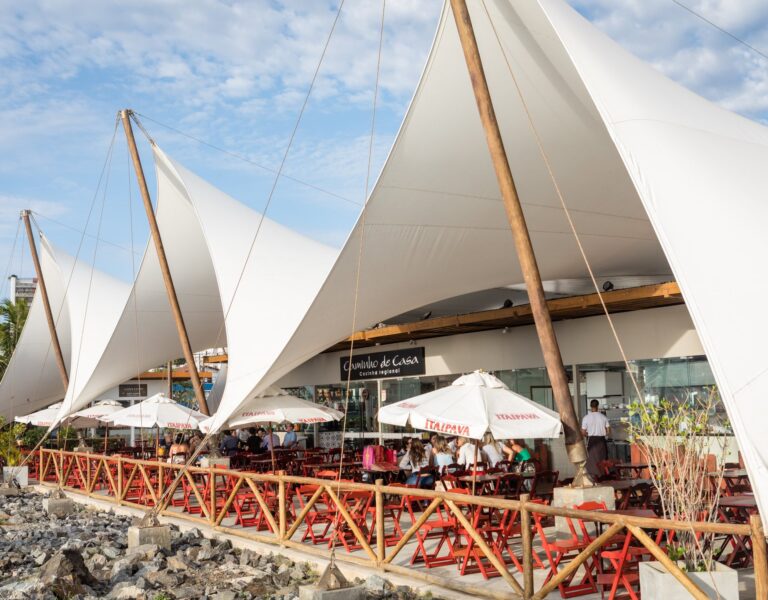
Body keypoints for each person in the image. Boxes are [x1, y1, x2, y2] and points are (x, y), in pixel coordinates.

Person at [581, 399, 611, 477]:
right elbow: (608, 431)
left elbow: (583, 432)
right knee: (602, 459)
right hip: (601, 441)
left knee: (591, 461)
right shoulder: (603, 417)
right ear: (598, 406)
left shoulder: (586, 418)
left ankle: (594, 478)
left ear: (590, 406)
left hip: (591, 440)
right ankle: (602, 478)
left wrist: (589, 434)